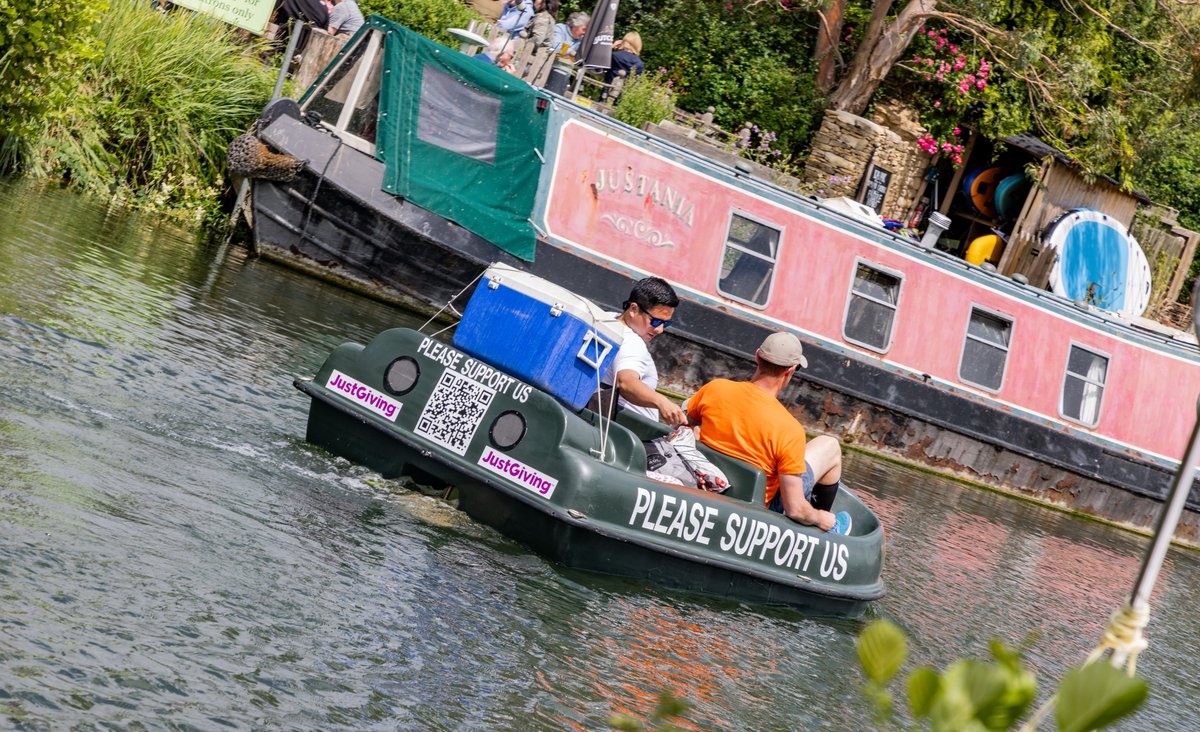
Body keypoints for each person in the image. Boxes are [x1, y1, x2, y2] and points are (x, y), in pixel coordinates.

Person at [685, 332, 852, 534]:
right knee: (830, 445)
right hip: (755, 509)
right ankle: (821, 532)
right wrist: (822, 518)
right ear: (790, 370)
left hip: (710, 483)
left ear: (757, 356)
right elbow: (795, 509)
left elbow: (686, 426)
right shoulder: (790, 430)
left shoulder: (714, 389)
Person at [604, 277, 687, 426]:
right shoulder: (632, 343)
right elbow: (626, 383)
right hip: (633, 433)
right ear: (634, 309)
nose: (660, 330)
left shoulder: (607, 318)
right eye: (655, 321)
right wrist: (662, 402)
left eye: (666, 323)